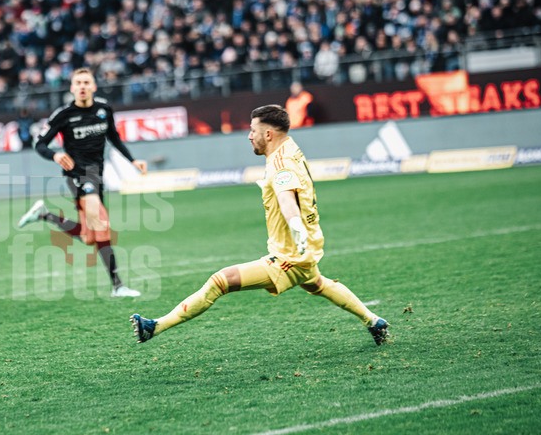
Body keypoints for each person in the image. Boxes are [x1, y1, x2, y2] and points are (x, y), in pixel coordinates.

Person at [131, 104, 390, 346]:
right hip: (306, 245)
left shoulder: (280, 164)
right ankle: (373, 321)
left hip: (290, 255)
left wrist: (295, 225)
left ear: (268, 134)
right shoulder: (289, 147)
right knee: (317, 284)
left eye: (253, 130)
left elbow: (286, 198)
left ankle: (155, 327)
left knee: (220, 281)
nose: (249, 136)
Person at [17, 67, 147, 297]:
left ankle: (44, 215)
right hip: (77, 175)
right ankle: (118, 286)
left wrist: (133, 160)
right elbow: (40, 144)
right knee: (101, 223)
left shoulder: (104, 109)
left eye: (87, 82)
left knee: (89, 237)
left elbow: (114, 137)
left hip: (97, 174)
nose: (83, 87)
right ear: (72, 88)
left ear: (94, 86)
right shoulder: (64, 114)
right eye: (78, 83)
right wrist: (55, 155)